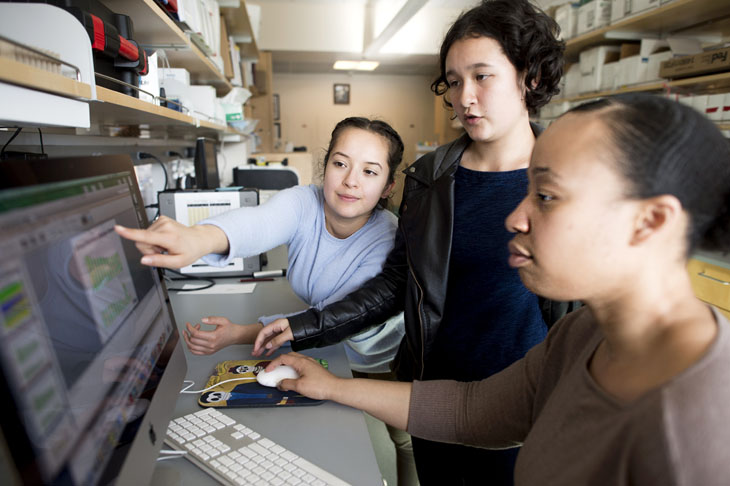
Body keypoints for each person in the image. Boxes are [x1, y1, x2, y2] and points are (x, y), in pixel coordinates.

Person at [264, 93, 730, 485]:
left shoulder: (700, 437)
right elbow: (473, 410)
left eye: (546, 196)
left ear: (650, 221)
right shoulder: (583, 334)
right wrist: (331, 387)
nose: (514, 218)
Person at [252, 1, 566, 483]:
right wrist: (307, 327)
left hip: (529, 406)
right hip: (432, 398)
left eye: (482, 76)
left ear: (531, 77)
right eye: (455, 80)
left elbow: (588, 311)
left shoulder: (570, 181)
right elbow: (399, 282)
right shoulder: (430, 179)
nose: (466, 97)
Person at [114, 117, 420, 486]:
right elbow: (257, 222)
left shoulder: (387, 239)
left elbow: (332, 316)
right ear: (324, 167)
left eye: (370, 172)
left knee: (403, 440)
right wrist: (199, 239)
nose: (351, 180)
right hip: (327, 348)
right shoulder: (303, 202)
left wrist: (242, 332)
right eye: (340, 163)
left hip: (379, 356)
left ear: (388, 186)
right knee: (333, 441)